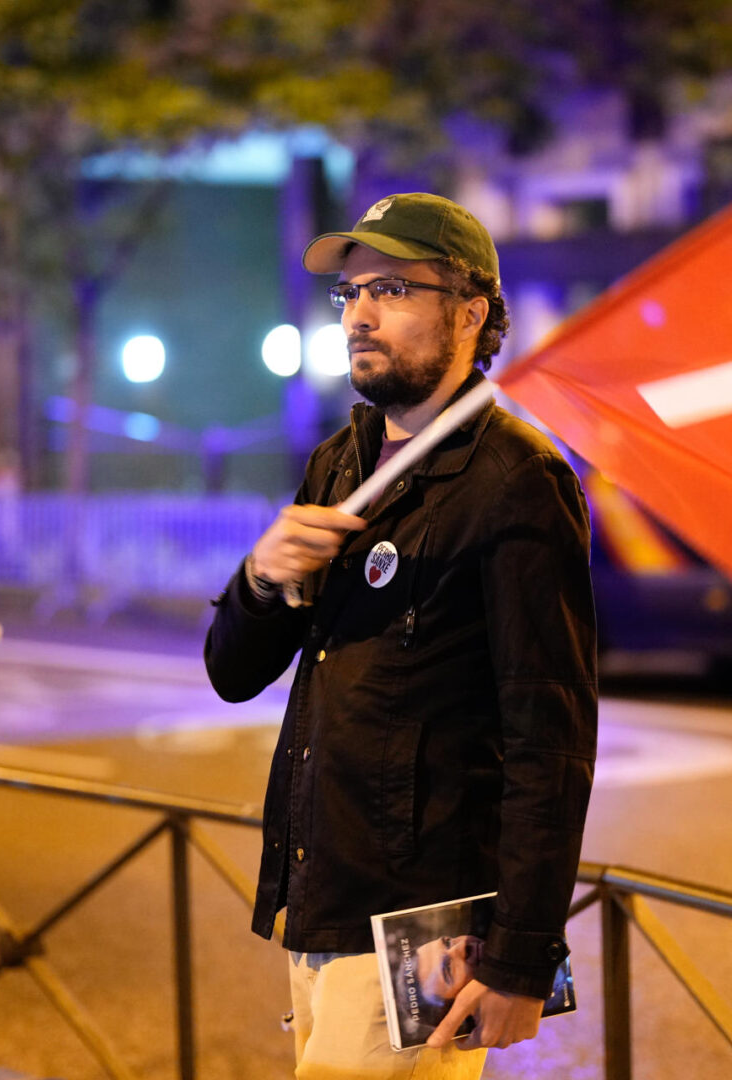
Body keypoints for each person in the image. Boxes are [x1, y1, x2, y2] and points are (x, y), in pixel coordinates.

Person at [204, 192, 598, 1080]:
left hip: (420, 927)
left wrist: (520, 957)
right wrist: (262, 578)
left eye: (392, 289)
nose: (361, 316)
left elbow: (553, 738)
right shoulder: (340, 461)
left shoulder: (516, 481)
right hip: (316, 898)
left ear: (469, 313)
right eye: (350, 295)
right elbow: (232, 673)